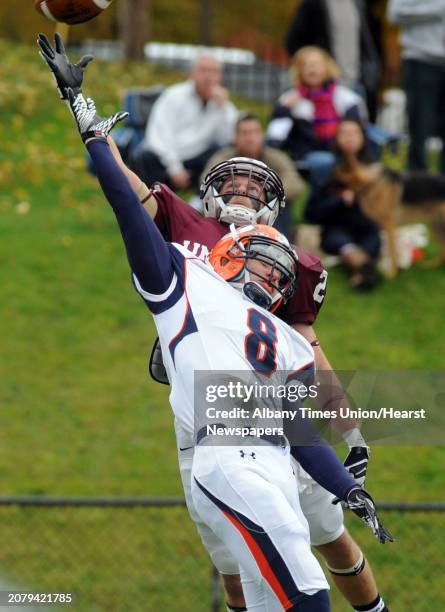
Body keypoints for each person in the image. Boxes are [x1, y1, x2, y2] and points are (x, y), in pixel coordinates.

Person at [37, 34, 392, 612]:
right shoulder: (184, 246)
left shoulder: (290, 268)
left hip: (269, 396)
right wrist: (90, 121)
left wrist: (349, 437)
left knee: (325, 537)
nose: (242, 191)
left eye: (256, 185)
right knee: (237, 557)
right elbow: (128, 201)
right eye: (232, 182)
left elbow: (308, 349)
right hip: (204, 403)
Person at [131, 54, 238, 190]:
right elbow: (159, 137)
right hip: (166, 158)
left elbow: (227, 140)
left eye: (213, 71)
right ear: (192, 73)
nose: (208, 76)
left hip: (196, 158)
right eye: (203, 70)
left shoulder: (223, 106)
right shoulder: (173, 96)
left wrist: (223, 109)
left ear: (220, 76)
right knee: (146, 157)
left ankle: (198, 194)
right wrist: (174, 168)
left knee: (221, 155)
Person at [266, 46, 367, 187]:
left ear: (327, 67)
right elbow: (274, 139)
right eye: (306, 65)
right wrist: (283, 110)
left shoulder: (347, 99)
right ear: (298, 71)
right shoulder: (290, 101)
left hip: (344, 152)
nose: (311, 68)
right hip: (309, 154)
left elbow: (360, 131)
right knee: (325, 162)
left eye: (316, 64)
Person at [304, 119, 383, 290]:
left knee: (371, 242)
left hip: (367, 229)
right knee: (344, 245)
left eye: (354, 133)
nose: (349, 138)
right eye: (344, 134)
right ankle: (368, 272)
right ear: (336, 139)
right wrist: (339, 200)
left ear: (363, 138)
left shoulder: (375, 171)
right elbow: (310, 213)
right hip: (336, 229)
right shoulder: (326, 171)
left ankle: (361, 273)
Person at [202, 112, 305, 240]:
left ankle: (276, 242)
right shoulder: (224, 156)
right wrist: (234, 192)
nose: (250, 138)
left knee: (280, 203)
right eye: (244, 133)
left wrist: (266, 194)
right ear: (235, 137)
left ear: (262, 135)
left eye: (254, 132)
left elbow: (295, 182)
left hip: (263, 210)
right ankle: (212, 237)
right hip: (229, 207)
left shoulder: (276, 157)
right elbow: (206, 179)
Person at [284, 0, 381, 121]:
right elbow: (293, 42)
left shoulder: (359, 4)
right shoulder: (313, 5)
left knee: (357, 133)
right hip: (324, 90)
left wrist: (370, 72)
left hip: (356, 83)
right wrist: (314, 66)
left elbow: (369, 43)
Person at [387, 0, 445, 174]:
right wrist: (437, 8)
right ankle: (418, 184)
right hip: (420, 59)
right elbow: (394, 14)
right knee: (420, 126)